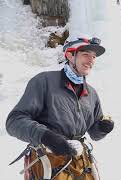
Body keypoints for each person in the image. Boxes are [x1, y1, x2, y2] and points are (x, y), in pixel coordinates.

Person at [6, 36, 114, 179]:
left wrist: (102, 128)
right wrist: (45, 136)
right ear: (70, 55)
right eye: (86, 55)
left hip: (82, 162)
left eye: (94, 56)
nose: (91, 60)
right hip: (49, 161)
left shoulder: (91, 93)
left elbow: (94, 133)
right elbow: (14, 121)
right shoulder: (44, 81)